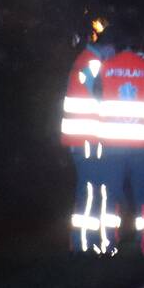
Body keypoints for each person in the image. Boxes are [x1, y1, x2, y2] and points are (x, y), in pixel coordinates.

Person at [97, 30, 144, 254]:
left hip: (113, 145)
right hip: (142, 146)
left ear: (117, 45)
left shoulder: (106, 68)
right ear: (138, 44)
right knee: (142, 195)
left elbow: (97, 97)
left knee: (112, 196)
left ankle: (110, 244)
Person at [61, 30, 114, 253]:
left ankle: (84, 241)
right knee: (89, 190)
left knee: (89, 188)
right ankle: (82, 242)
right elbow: (100, 98)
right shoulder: (93, 63)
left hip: (82, 137)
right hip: (87, 137)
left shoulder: (85, 59)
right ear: (107, 46)